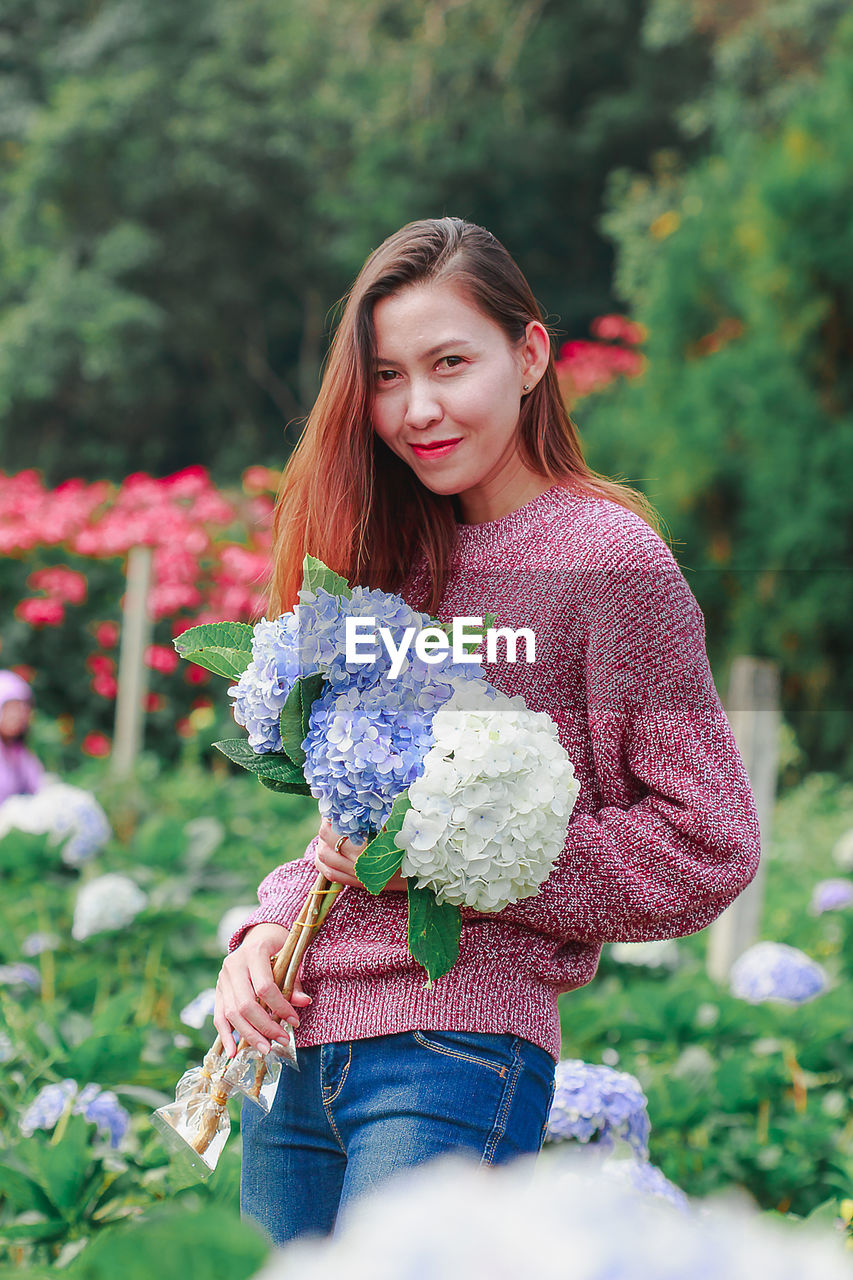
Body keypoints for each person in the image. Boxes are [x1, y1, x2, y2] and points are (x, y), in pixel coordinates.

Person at [214, 217, 761, 1244]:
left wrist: (451, 853)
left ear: (530, 355)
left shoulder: (608, 562)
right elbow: (350, 827)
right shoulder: (389, 559)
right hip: (292, 1048)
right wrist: (258, 933)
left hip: (454, 1051)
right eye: (385, 376)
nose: (415, 408)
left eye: (449, 363)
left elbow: (708, 839)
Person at [0, 670, 44, 806]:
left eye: (22, 708)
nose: (17, 715)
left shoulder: (23, 756)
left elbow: (39, 791)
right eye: (10, 708)